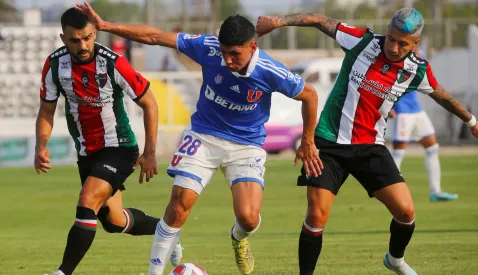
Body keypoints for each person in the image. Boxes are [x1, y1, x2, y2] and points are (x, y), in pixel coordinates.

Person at [76, 3, 323, 275]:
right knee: (179, 203)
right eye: (224, 52)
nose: (227, 60)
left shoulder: (270, 71)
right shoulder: (208, 48)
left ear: (252, 47)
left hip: (246, 144)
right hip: (204, 135)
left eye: (234, 54)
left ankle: (239, 238)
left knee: (249, 218)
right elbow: (156, 37)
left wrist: (308, 141)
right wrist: (108, 26)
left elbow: (309, 95)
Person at [256, 8, 478, 275]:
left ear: (415, 43)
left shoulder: (417, 71)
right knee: (316, 215)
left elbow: (442, 96)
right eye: (391, 38)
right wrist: (277, 22)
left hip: (370, 147)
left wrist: (472, 122)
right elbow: (319, 20)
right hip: (329, 144)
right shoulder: (363, 41)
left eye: (402, 43)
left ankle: (395, 260)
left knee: (405, 212)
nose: (393, 46)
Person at [35, 8, 165, 275]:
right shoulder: (55, 65)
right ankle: (168, 231)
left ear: (94, 33)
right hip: (87, 152)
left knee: (87, 200)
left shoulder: (113, 62)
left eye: (86, 38)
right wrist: (41, 145)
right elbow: (46, 111)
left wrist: (150, 152)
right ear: (63, 38)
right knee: (113, 221)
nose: (82, 46)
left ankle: (62, 273)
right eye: (74, 40)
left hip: (120, 148)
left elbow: (150, 104)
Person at [389, 45, 458, 202]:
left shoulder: (417, 58)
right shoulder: (395, 59)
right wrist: (390, 107)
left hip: (417, 110)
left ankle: (436, 191)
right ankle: (389, 190)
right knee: (398, 152)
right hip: (403, 112)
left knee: (432, 147)